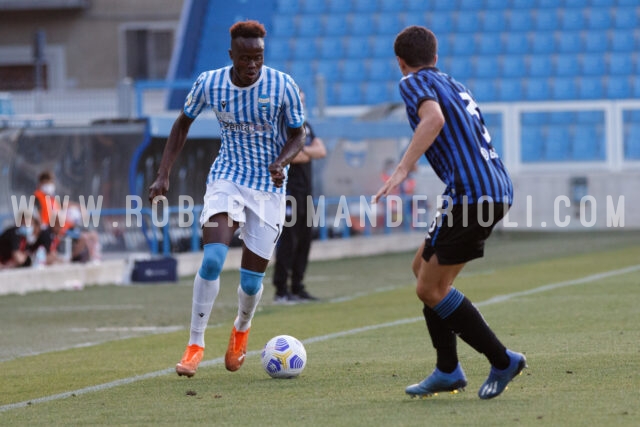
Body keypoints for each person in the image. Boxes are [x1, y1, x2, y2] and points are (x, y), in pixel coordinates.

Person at [374, 26, 526, 400]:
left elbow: (434, 120)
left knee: (430, 287)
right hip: (486, 187)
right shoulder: (455, 84)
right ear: (436, 56)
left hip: (473, 194)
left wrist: (402, 169)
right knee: (421, 271)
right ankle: (447, 369)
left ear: (401, 62)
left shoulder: (412, 83)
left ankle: (502, 359)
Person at [148, 20, 305, 378]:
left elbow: (299, 134)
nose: (252, 65)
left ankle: (241, 329)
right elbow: (182, 123)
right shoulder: (210, 82)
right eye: (245, 57)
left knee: (250, 282)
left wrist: (281, 161)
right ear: (231, 54)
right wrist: (163, 173)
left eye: (259, 57)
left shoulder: (283, 85)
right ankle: (195, 345)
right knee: (214, 257)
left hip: (268, 188)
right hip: (228, 178)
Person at [272, 90, 326, 303]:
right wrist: (302, 152)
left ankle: (297, 286)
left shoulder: (305, 126)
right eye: (298, 101)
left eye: (303, 101)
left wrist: (304, 152)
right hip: (288, 193)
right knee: (288, 239)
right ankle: (281, 290)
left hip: (306, 193)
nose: (301, 105)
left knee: (305, 239)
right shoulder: (282, 128)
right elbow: (287, 158)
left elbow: (320, 151)